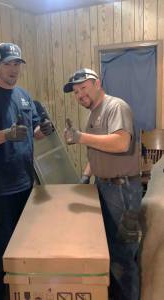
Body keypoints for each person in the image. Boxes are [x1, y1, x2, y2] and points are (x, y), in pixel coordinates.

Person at [0, 42, 53, 300]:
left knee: (23, 246)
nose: (14, 69)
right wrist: (6, 134)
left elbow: (31, 134)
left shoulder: (24, 96)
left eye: (17, 64)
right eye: (7, 64)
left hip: (25, 183)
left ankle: (19, 293)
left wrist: (43, 131)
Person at [63, 68, 143, 300]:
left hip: (124, 191)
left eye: (83, 88)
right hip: (105, 186)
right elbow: (97, 149)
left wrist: (80, 137)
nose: (80, 95)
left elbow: (120, 143)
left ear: (97, 83)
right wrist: (85, 176)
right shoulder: (92, 113)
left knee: (125, 255)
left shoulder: (115, 107)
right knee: (109, 248)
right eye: (76, 92)